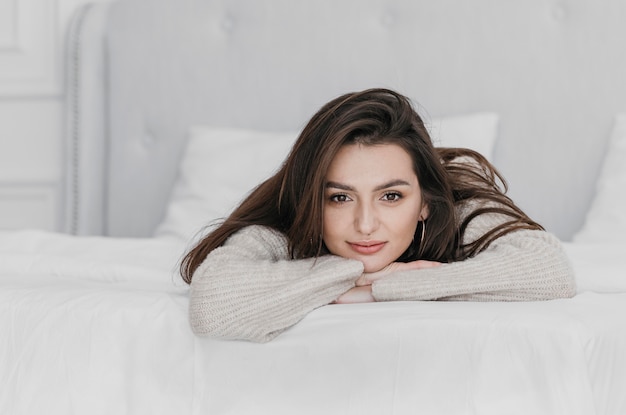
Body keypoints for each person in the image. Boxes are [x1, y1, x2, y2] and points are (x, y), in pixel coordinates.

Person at [181, 88, 576, 342]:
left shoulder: (453, 206)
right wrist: (348, 275)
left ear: (424, 201)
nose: (365, 224)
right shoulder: (286, 223)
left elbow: (550, 271)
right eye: (340, 198)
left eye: (390, 196)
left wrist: (387, 286)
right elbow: (213, 304)